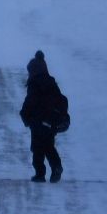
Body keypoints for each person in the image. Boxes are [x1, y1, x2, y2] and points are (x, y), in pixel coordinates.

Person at [18, 50, 69, 183]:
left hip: (38, 120)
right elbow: (59, 100)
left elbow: (30, 101)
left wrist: (24, 114)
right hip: (51, 120)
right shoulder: (51, 83)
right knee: (49, 145)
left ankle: (40, 174)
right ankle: (56, 167)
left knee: (37, 147)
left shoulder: (34, 83)